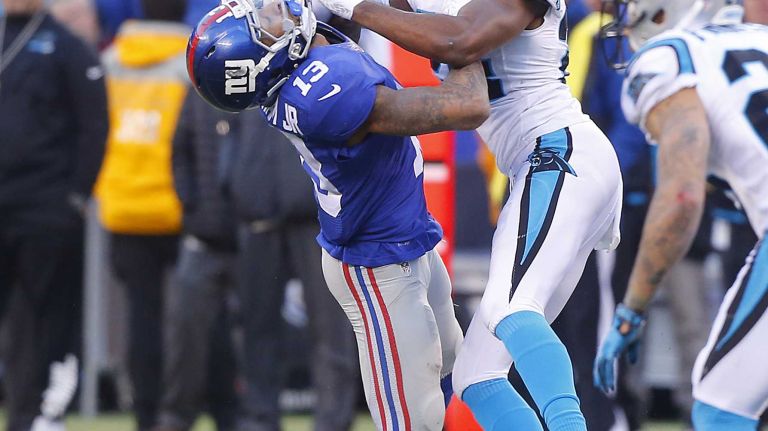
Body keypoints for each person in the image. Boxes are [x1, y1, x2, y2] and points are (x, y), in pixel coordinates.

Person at [314, 0, 624, 429]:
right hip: (537, 163)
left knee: (511, 309)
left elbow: (460, 42)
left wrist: (356, 7)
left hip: (559, 151)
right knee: (474, 374)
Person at [187, 0, 488, 428]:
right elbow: (468, 107)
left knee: (455, 369)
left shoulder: (303, 67)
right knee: (415, 418)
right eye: (267, 23)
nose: (280, 12)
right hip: (378, 265)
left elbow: (341, 31)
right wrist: (464, 40)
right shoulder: (319, 95)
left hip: (407, 239)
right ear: (257, 64)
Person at [593, 0, 768, 429]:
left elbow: (682, 196)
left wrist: (632, 308)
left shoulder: (670, 56)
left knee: (720, 407)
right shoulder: (760, 37)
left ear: (662, 11)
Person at [0, 0, 108, 429]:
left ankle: (34, 415)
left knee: (39, 317)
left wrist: (77, 195)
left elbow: (94, 124)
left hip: (45, 207)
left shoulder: (67, 47)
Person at [96, 1, 188, 429]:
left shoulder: (111, 60)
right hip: (182, 208)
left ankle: (146, 416)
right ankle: (202, 409)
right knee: (202, 317)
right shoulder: (192, 62)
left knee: (142, 320)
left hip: (125, 206)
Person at [153, 90, 242, 431]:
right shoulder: (199, 94)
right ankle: (176, 417)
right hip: (202, 238)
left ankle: (247, 417)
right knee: (185, 336)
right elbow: (179, 152)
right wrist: (190, 207)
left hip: (250, 235)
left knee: (255, 339)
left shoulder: (263, 93)